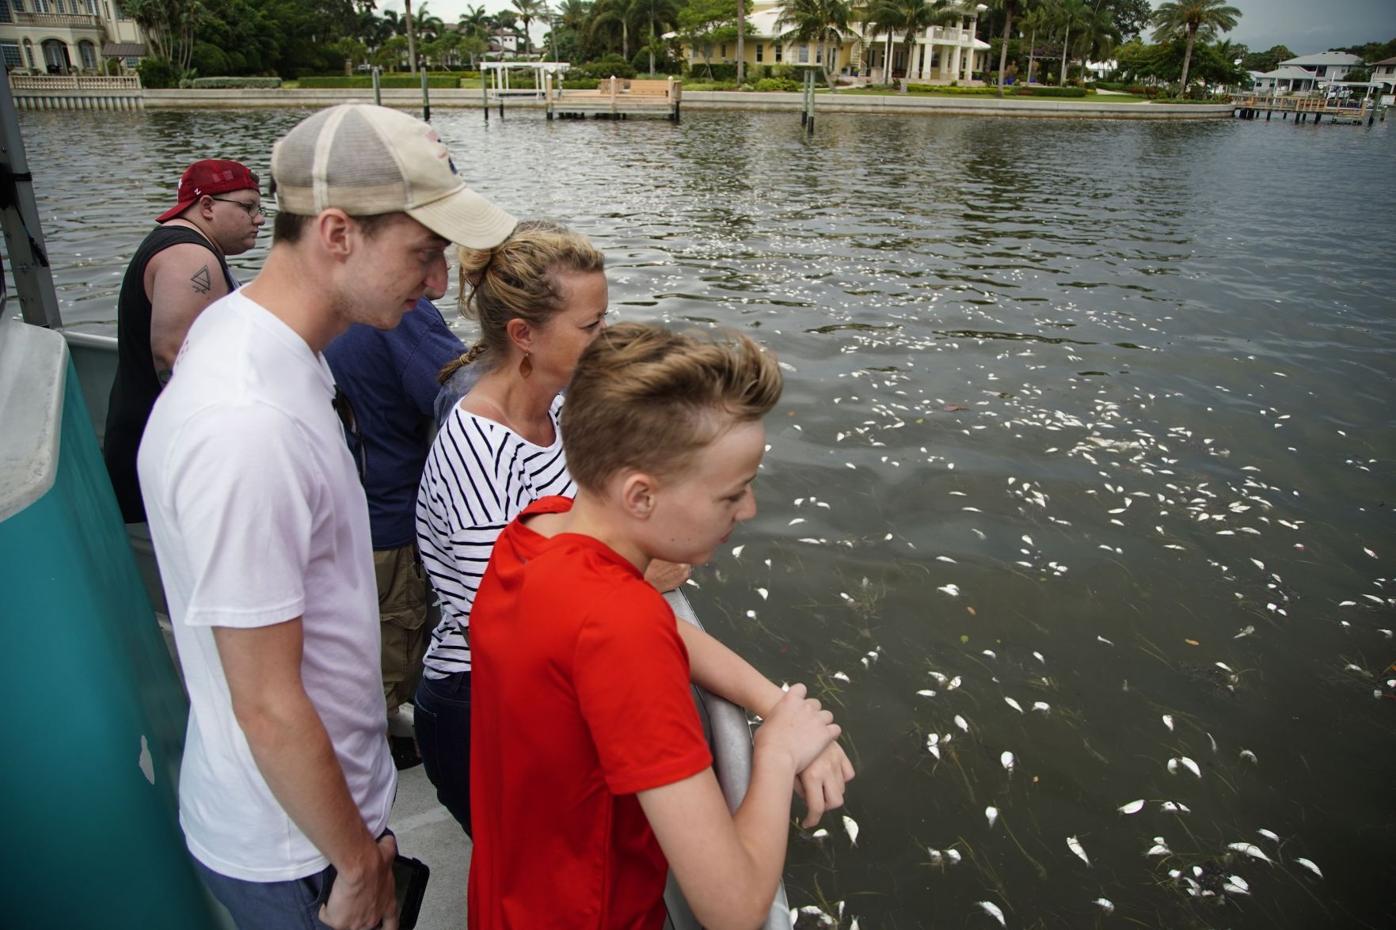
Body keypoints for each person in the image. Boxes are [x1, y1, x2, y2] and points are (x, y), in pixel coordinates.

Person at [137, 103, 516, 930]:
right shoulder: (247, 423)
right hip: (298, 849)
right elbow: (267, 703)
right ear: (337, 232)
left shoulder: (262, 345)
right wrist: (356, 864)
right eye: (424, 253)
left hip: (321, 813)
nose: (439, 284)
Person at [468, 323, 849, 929]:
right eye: (732, 495)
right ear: (640, 496)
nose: (748, 511)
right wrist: (777, 751)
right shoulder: (620, 625)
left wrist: (772, 701)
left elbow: (660, 634)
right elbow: (733, 908)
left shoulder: (533, 535)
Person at [325, 293, 465, 768]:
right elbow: (460, 390)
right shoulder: (395, 309)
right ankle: (371, 751)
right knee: (390, 652)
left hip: (335, 519)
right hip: (385, 520)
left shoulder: (302, 304)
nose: (438, 279)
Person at [105, 158, 265, 523]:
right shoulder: (189, 255)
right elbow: (174, 356)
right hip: (169, 453)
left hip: (146, 434)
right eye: (247, 207)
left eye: (260, 208)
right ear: (206, 205)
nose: (258, 219)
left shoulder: (176, 244)